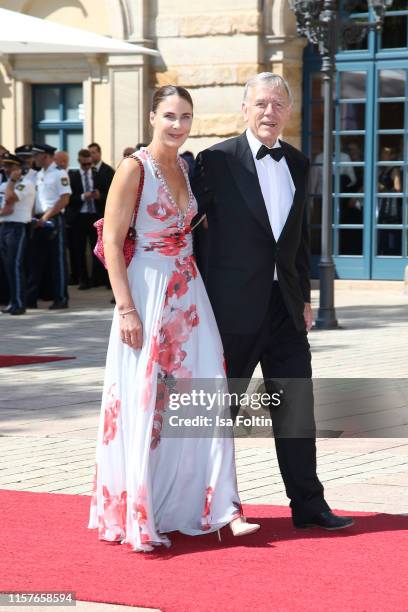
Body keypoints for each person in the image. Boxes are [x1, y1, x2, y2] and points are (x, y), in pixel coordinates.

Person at [88, 85, 259, 552]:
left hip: (190, 292)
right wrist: (125, 308)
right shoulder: (132, 169)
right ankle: (144, 511)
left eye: (185, 116)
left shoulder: (186, 166)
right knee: (150, 401)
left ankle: (216, 506)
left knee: (205, 393)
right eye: (169, 116)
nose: (178, 125)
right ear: (151, 117)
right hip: (148, 291)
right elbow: (112, 247)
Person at [193, 72, 354, 531]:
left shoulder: (300, 163)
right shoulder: (214, 160)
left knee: (297, 409)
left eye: (278, 104)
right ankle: (210, 504)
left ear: (288, 111)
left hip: (285, 309)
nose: (269, 112)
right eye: (261, 103)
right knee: (219, 411)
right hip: (231, 310)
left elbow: (296, 241)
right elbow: (191, 235)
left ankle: (308, 505)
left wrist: (304, 296)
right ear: (245, 108)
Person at [26, 143, 72, 309]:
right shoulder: (39, 175)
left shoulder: (59, 174)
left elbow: (64, 199)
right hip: (39, 219)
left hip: (53, 220)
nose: (34, 159)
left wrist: (45, 217)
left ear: (45, 156)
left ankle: (61, 298)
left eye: (36, 156)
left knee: (57, 260)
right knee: (35, 260)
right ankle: (30, 298)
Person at [0, 153, 35, 315]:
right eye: (5, 166)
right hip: (5, 226)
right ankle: (13, 301)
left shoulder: (25, 184)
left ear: (18, 169)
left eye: (10, 166)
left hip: (18, 227)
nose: (6, 169)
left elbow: (10, 201)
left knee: (15, 265)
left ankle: (20, 303)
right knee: (7, 266)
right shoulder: (5, 184)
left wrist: (12, 182)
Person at [67, 149, 105, 289]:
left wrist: (99, 196)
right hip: (79, 217)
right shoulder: (73, 176)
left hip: (95, 215)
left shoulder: (97, 175)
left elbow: (107, 193)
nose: (88, 166)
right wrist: (84, 196)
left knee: (97, 248)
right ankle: (83, 279)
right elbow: (68, 198)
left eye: (90, 164)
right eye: (85, 164)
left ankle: (97, 278)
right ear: (79, 162)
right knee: (79, 250)